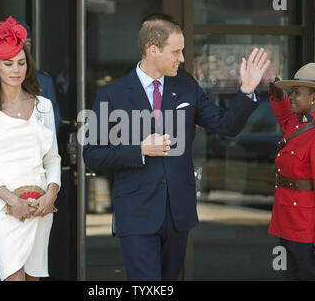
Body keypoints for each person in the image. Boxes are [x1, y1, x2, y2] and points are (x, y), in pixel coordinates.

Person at [83, 19, 270, 280]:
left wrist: (247, 89)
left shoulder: (186, 87)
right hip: (136, 213)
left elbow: (226, 125)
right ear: (153, 50)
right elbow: (92, 154)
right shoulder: (112, 94)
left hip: (178, 213)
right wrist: (139, 149)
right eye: (176, 51)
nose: (182, 58)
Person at [0, 16, 61, 281]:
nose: (15, 69)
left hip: (41, 204)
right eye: (8, 63)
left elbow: (53, 157)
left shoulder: (43, 105)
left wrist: (52, 193)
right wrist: (12, 201)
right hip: (4, 208)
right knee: (13, 277)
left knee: (34, 277)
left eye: (21, 63)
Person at [268, 63, 315, 280]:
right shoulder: (296, 124)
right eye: (291, 92)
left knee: (304, 274)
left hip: (305, 224)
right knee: (288, 273)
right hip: (285, 217)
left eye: (298, 93)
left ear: (314, 99)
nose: (292, 97)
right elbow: (285, 118)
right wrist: (278, 96)